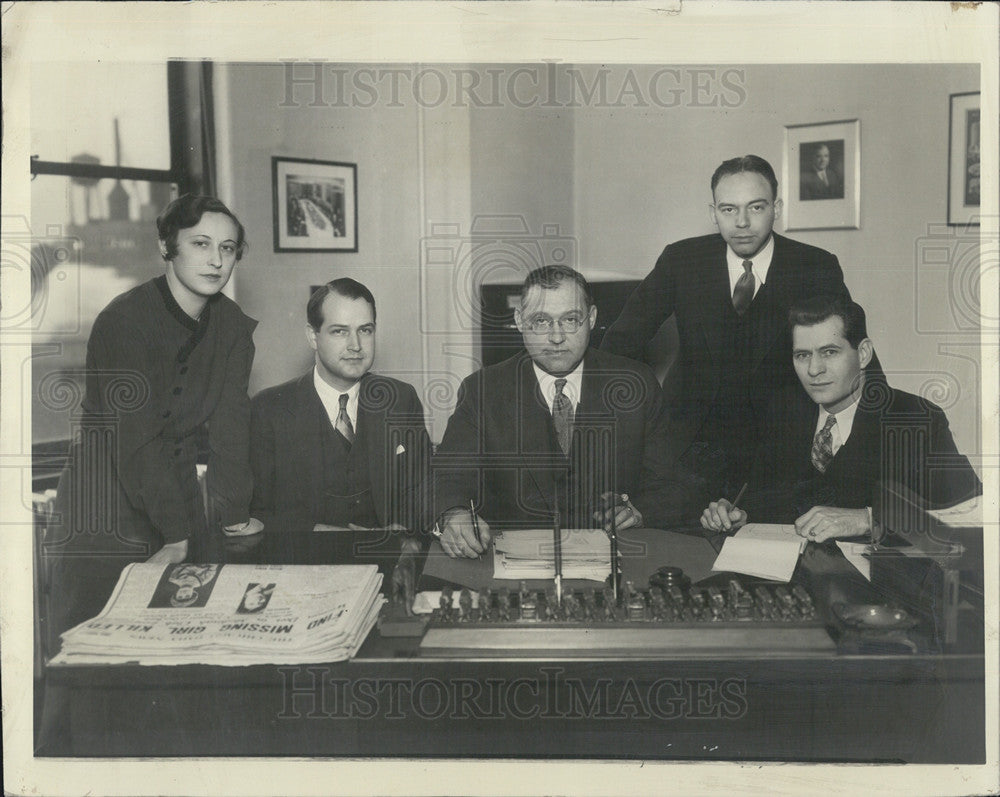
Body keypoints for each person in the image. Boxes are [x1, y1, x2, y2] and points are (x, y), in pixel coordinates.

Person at [47, 194, 257, 639]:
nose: (216, 260)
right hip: (101, 509)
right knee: (95, 653)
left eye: (227, 248)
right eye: (201, 244)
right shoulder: (123, 322)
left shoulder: (234, 327)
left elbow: (231, 430)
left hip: (176, 500)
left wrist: (234, 513)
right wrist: (177, 536)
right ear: (167, 247)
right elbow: (137, 439)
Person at [600, 154, 854, 509]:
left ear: (776, 208)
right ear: (712, 212)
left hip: (779, 449)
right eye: (729, 209)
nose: (743, 223)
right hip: (688, 445)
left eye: (756, 207)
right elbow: (619, 343)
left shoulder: (815, 266)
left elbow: (851, 356)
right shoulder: (682, 260)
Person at [431, 265, 673, 559]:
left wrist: (640, 511)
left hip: (619, 561)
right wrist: (453, 514)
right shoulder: (482, 391)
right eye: (541, 321)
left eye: (570, 320)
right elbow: (449, 475)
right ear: (520, 321)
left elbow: (673, 482)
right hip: (514, 567)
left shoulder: (636, 383)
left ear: (592, 319)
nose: (556, 337)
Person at [701, 295, 981, 542]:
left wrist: (869, 519)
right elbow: (766, 495)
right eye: (802, 355)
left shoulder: (915, 419)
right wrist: (739, 512)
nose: (814, 369)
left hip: (878, 590)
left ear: (863, 354)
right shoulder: (784, 412)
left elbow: (973, 513)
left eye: (829, 352)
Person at [249, 278, 432, 538]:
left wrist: (404, 527)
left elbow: (424, 487)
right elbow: (254, 511)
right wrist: (321, 531)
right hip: (305, 563)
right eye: (340, 331)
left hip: (386, 556)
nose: (355, 345)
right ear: (313, 336)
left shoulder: (401, 399)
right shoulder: (268, 409)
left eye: (365, 330)